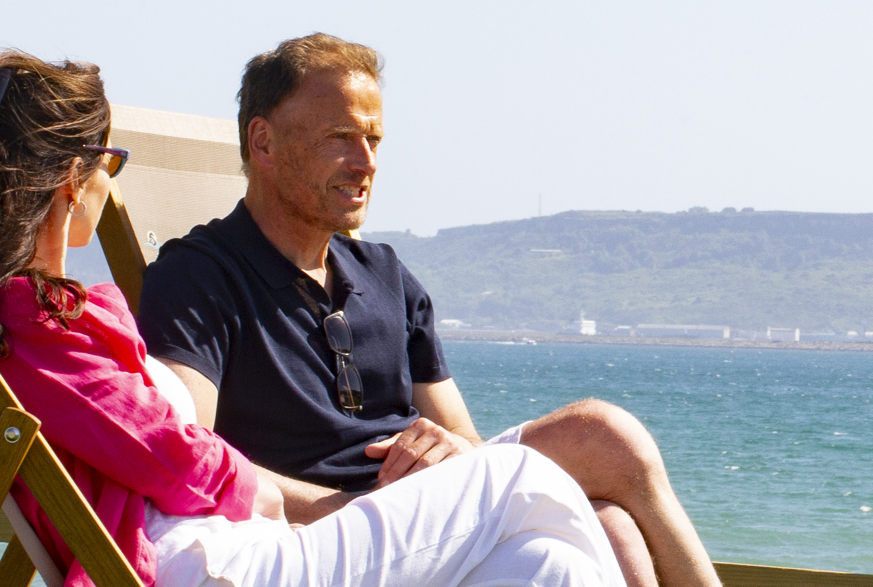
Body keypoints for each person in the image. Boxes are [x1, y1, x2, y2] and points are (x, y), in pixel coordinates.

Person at [0, 51, 621, 587]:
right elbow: (171, 453)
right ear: (77, 176)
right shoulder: (33, 323)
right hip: (215, 564)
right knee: (520, 476)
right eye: (111, 165)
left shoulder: (38, 319)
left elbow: (168, 442)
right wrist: (320, 506)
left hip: (233, 546)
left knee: (546, 564)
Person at [136, 34, 718, 587]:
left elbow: (464, 442)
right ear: (262, 142)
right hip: (316, 539)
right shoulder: (198, 278)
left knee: (600, 534)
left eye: (374, 140)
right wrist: (340, 508)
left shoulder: (384, 275)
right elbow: (188, 456)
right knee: (606, 435)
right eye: (340, 137)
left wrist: (447, 449)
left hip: (423, 530)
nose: (365, 162)